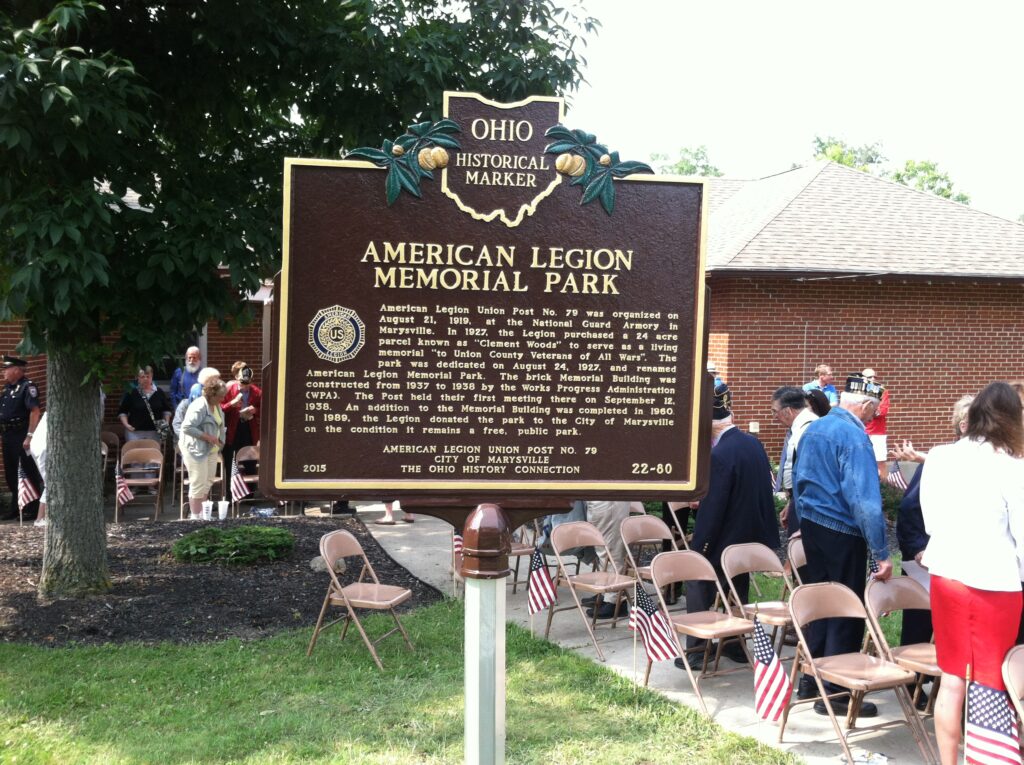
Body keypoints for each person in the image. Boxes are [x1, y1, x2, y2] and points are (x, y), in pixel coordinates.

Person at [920, 382, 1024, 764]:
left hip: (947, 575)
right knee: (992, 680)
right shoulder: (1014, 467)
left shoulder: (939, 456)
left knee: (951, 677)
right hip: (995, 583)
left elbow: (930, 521)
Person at [792, 374, 893, 717]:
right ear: (864, 405)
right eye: (874, 411)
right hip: (842, 531)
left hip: (812, 527)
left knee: (819, 604)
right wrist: (881, 552)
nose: (873, 417)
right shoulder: (854, 435)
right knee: (847, 611)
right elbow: (865, 501)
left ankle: (810, 680)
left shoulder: (814, 428)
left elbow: (798, 482)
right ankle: (834, 693)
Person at [676, 381, 779, 670]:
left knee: (698, 583)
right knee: (737, 589)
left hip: (724, 538)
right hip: (750, 537)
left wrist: (701, 544)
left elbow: (715, 505)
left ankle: (697, 651)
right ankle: (735, 644)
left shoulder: (720, 454)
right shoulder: (752, 444)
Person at [770, 386, 820, 538]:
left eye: (774, 411)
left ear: (788, 411)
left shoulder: (809, 431)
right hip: (799, 502)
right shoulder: (800, 428)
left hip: (808, 508)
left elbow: (813, 478)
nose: (774, 417)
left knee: (800, 555)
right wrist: (791, 503)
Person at [0, 356, 43, 521]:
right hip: (8, 435)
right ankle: (16, 506)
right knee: (11, 472)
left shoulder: (27, 387)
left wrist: (29, 436)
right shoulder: (7, 389)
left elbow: (34, 411)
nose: (4, 372)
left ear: (17, 370)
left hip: (21, 435)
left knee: (26, 470)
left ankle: (31, 508)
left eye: (7, 369)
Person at [179, 378, 228, 520]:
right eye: (220, 396)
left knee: (207, 481)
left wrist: (220, 442)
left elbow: (219, 425)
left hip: (212, 450)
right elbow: (187, 427)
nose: (223, 398)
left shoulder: (216, 405)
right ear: (211, 394)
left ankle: (203, 515)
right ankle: (195, 517)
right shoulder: (199, 406)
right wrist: (207, 437)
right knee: (198, 482)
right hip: (196, 450)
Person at [221, 362, 262, 470]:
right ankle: (230, 487)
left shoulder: (256, 392)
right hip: (232, 428)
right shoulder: (228, 390)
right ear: (236, 378)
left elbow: (265, 410)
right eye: (242, 382)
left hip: (249, 428)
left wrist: (255, 410)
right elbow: (219, 408)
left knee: (250, 460)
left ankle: (250, 487)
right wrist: (231, 404)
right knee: (230, 462)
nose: (244, 386)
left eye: (247, 383)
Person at [117, 366, 172, 443]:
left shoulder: (159, 392)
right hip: (134, 432)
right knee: (135, 454)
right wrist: (126, 425)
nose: (145, 379)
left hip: (155, 432)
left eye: (148, 376)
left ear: (151, 377)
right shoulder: (131, 393)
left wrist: (165, 424)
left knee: (152, 454)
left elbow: (166, 411)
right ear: (138, 378)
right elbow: (123, 412)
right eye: (142, 377)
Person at [862, 368, 891, 481]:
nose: (873, 379)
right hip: (862, 430)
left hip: (878, 432)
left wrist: (867, 410)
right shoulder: (859, 392)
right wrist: (873, 410)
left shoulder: (882, 391)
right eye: (870, 377)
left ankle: (885, 489)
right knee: (862, 461)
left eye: (875, 377)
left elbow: (881, 412)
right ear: (863, 379)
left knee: (880, 462)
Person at [28, 410, 48, 527]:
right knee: (51, 484)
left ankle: (42, 518)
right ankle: (41, 519)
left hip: (38, 445)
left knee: (50, 484)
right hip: (44, 448)